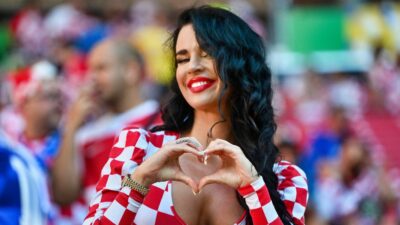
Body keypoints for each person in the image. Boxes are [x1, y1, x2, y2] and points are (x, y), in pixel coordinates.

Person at [83, 6, 308, 225]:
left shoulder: (286, 180)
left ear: (241, 64)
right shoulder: (138, 149)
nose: (193, 67)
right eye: (183, 59)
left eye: (207, 54)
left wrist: (254, 189)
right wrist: (139, 184)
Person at [52, 37, 161, 224]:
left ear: (131, 71)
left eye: (101, 68)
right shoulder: (85, 134)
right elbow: (63, 195)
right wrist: (71, 127)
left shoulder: (162, 122)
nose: (91, 78)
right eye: (90, 69)